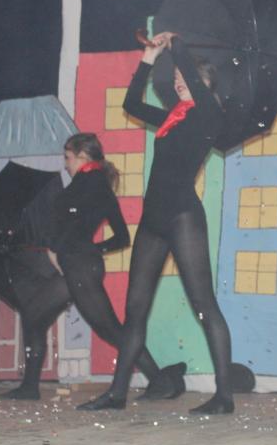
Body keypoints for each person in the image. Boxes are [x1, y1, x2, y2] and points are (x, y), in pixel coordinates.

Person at [79, 32, 235, 414]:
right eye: (178, 76)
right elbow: (131, 104)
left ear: (205, 84)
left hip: (183, 216)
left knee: (204, 304)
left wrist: (177, 45)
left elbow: (192, 77)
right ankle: (117, 393)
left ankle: (224, 396)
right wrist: (149, 59)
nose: (180, 80)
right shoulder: (172, 118)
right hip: (153, 219)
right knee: (135, 309)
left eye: (187, 76)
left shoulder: (209, 116)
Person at [0, 133, 184, 401]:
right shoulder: (91, 183)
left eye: (68, 158)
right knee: (33, 315)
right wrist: (68, 249)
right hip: (76, 265)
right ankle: (29, 387)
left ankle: (160, 381)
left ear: (82, 156)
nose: (65, 164)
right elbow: (104, 233)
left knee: (110, 329)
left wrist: (74, 249)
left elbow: (113, 236)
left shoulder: (91, 183)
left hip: (80, 267)